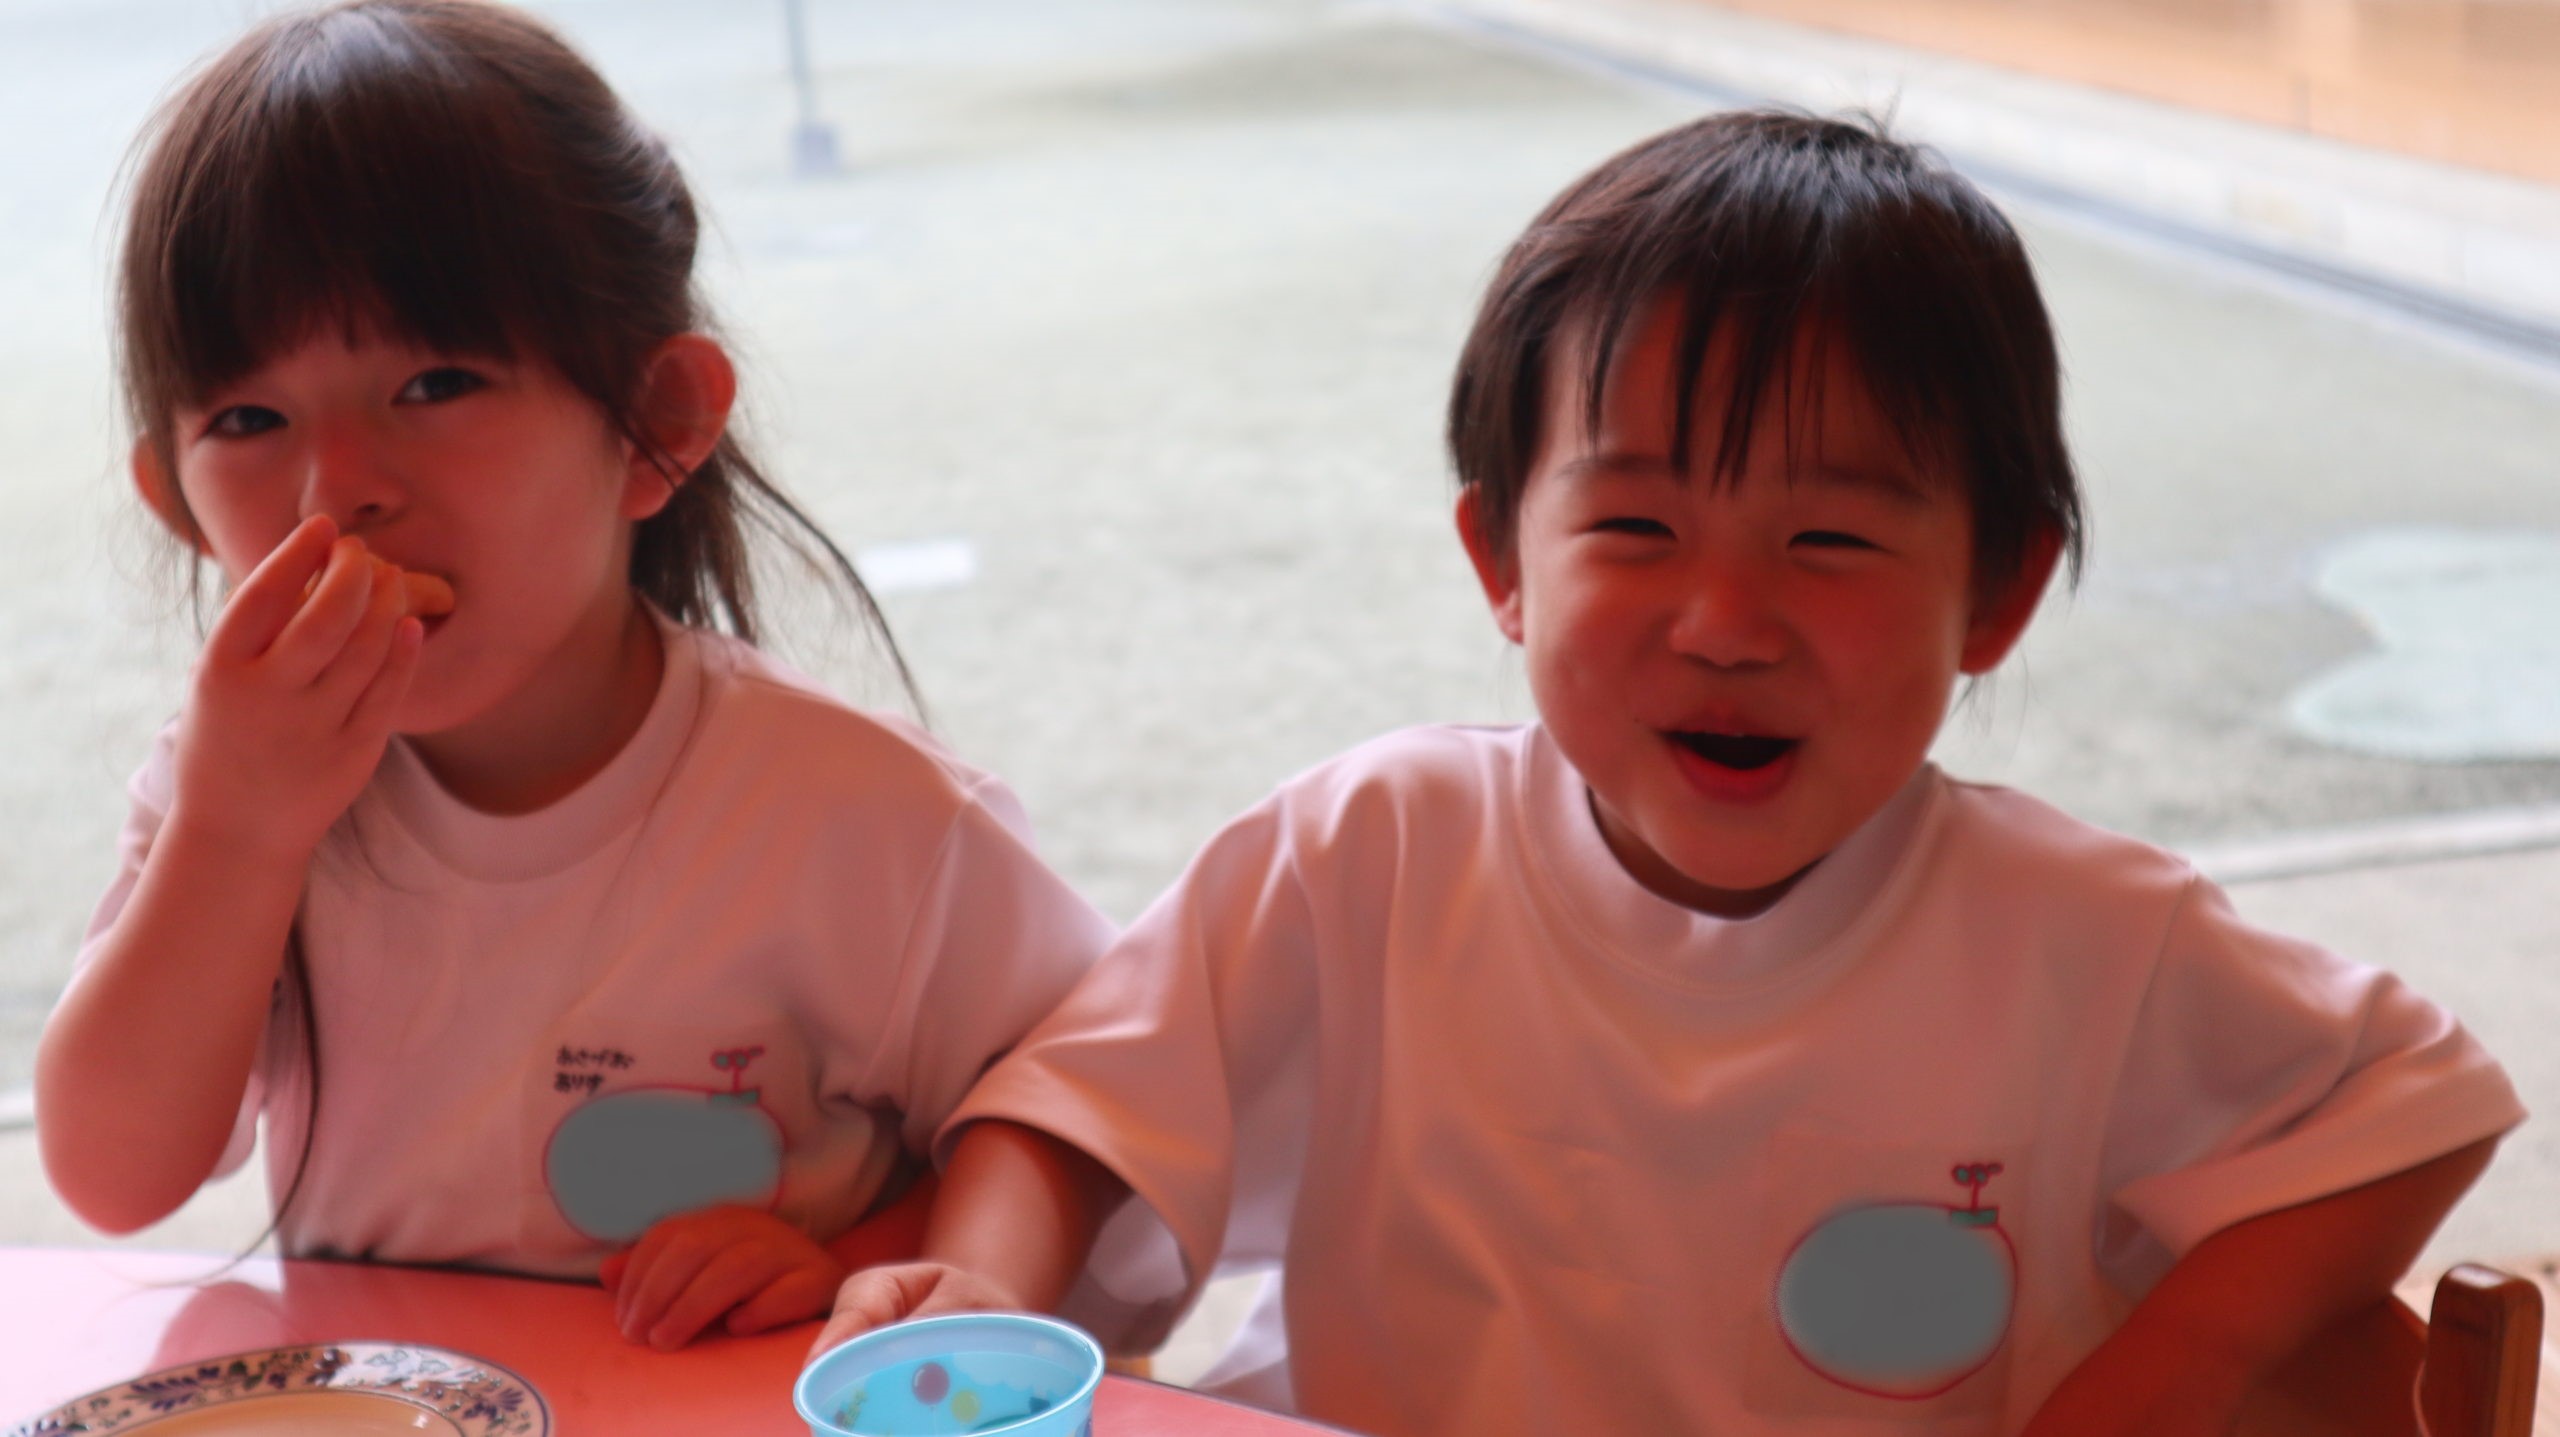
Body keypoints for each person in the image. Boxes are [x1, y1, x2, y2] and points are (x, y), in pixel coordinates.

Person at [811, 112, 2525, 1434]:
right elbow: (1074, 1112)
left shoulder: (2079, 935)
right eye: (1635, 527)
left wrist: (2158, 1381)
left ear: (1996, 591)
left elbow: (2416, 1103)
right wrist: (979, 1286)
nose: (1725, 623)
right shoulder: (1369, 851)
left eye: (1831, 539)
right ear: (1503, 558)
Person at [34, 0, 1111, 1353]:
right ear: (176, 500)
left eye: (436, 384)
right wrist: (235, 832)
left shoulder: (858, 815)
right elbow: (113, 1173)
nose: (335, 491)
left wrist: (861, 1258)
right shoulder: (231, 792)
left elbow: (1087, 1117)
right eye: (249, 419)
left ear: (656, 427)